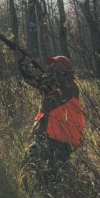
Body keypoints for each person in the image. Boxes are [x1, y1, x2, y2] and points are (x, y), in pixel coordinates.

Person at [18, 54, 85, 186]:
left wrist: (20, 60)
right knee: (52, 169)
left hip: (53, 138)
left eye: (55, 66)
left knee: (49, 171)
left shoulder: (60, 83)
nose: (51, 68)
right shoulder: (69, 85)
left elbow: (29, 78)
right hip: (60, 137)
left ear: (63, 69)